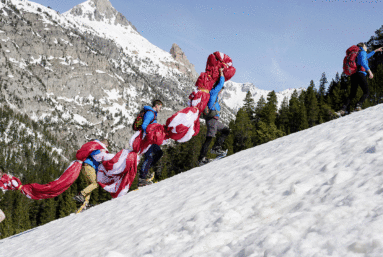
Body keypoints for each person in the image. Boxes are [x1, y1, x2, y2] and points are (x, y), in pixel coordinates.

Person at [339, 43, 383, 115]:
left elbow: (367, 56)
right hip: (360, 74)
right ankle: (358, 106)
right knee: (366, 92)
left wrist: (375, 50)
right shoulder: (362, 52)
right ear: (362, 46)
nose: (366, 47)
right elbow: (363, 62)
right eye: (365, 46)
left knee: (352, 94)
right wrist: (369, 71)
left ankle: (342, 109)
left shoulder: (358, 53)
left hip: (354, 75)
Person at [198, 68, 230, 166]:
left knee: (226, 130)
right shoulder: (213, 93)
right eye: (220, 90)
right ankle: (201, 159)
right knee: (209, 138)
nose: (221, 91)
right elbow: (220, 84)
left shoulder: (214, 95)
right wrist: (221, 73)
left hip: (214, 120)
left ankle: (216, 148)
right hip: (211, 120)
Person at [73, 139, 113, 205]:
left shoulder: (96, 148)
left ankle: (85, 203)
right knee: (95, 184)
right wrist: (100, 151)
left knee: (90, 185)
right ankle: (81, 194)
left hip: (86, 167)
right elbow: (93, 153)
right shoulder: (97, 149)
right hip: (88, 166)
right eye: (106, 146)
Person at [138, 99, 164, 187]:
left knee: (159, 153)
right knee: (148, 157)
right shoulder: (150, 113)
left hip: (152, 139)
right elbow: (144, 125)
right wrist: (150, 134)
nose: (160, 109)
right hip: (147, 139)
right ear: (156, 105)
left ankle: (146, 170)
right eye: (160, 107)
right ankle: (142, 178)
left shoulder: (153, 113)